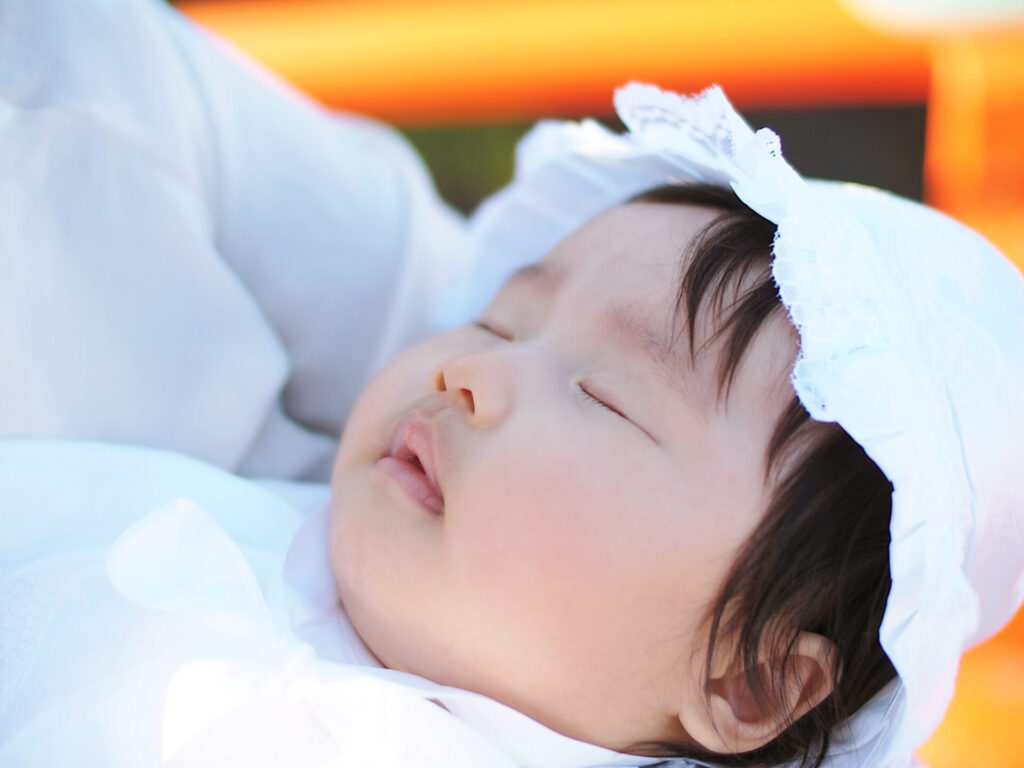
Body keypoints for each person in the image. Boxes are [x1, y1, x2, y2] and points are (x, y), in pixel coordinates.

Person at [2, 2, 1023, 768]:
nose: (469, 370)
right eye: (501, 317)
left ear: (750, 677)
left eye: (605, 397)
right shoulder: (208, 532)